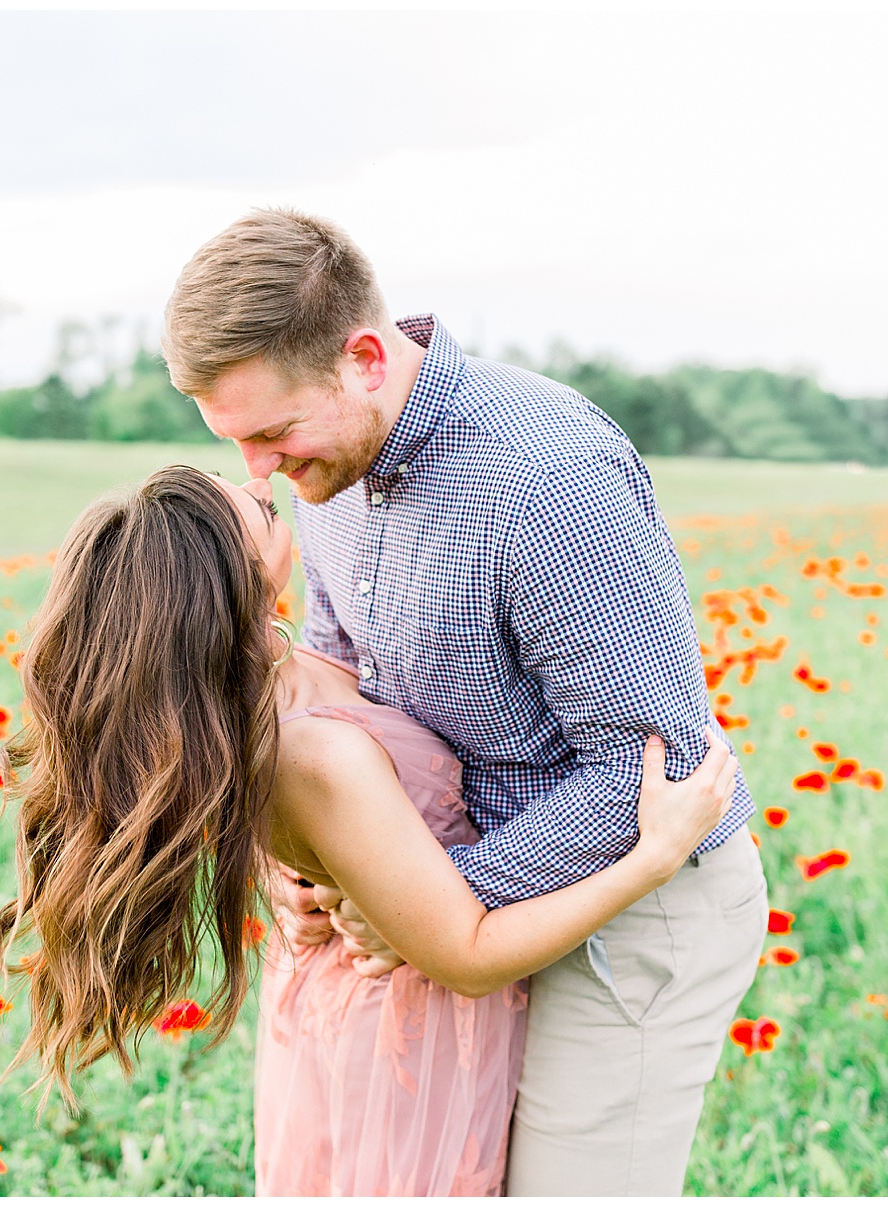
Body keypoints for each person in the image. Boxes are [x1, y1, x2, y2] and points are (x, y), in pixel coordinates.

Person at [157, 209, 770, 1195]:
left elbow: (651, 769)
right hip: (455, 906)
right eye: (235, 442)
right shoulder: (333, 472)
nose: (257, 474)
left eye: (271, 433)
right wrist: (305, 864)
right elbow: (339, 677)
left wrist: (432, 897)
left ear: (364, 356)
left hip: (631, 910)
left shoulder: (545, 479)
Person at [0, 464, 738, 1195]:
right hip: (404, 1028)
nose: (258, 480)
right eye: (243, 503)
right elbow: (469, 955)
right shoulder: (317, 754)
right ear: (224, 579)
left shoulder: (260, 678)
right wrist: (654, 858)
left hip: (358, 992)